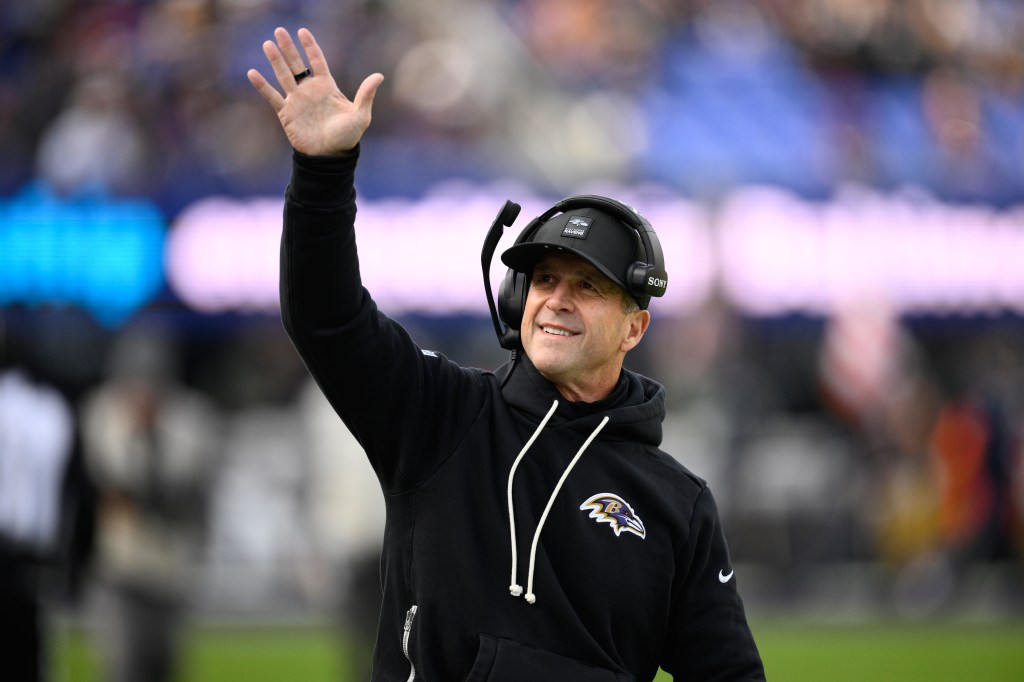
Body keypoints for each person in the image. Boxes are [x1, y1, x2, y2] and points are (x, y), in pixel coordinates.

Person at [249, 26, 764, 681]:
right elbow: (327, 320)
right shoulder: (440, 415)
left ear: (635, 329)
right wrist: (323, 174)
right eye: (544, 280)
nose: (555, 301)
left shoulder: (676, 502)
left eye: (587, 287)